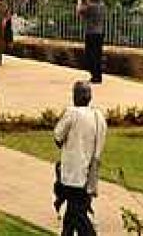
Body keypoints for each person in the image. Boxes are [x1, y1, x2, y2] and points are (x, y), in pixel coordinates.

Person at [54, 81, 107, 236]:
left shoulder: (72, 114)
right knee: (73, 209)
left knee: (78, 213)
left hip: (73, 172)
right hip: (91, 171)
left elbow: (58, 137)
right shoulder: (99, 117)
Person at [76, 0, 106, 84]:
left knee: (90, 55)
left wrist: (80, 1)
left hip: (91, 33)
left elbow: (80, 12)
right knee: (97, 55)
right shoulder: (102, 5)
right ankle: (97, 76)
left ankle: (95, 75)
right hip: (100, 33)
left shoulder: (91, 6)